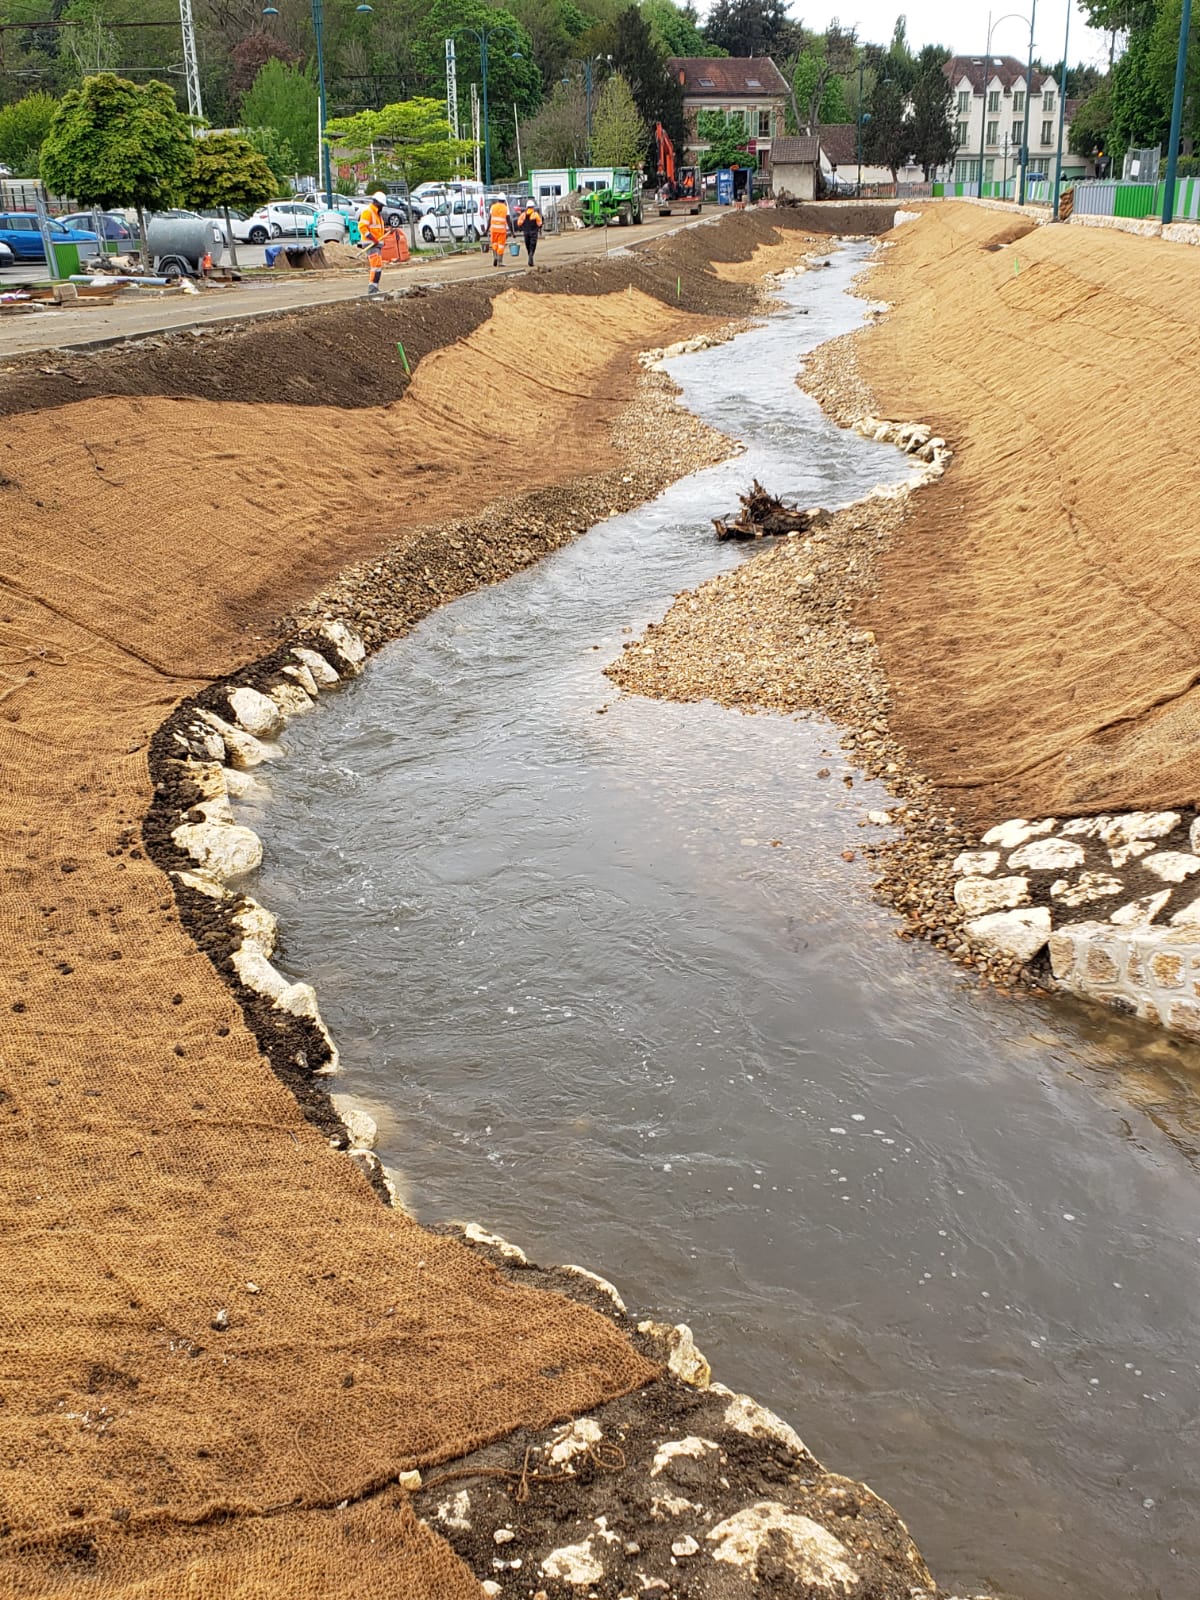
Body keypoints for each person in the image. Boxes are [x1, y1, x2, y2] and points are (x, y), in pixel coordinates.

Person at [358, 191, 387, 296]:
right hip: (370, 243)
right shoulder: (368, 212)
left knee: (378, 266)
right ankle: (372, 289)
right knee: (375, 265)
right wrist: (372, 238)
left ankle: (375, 287)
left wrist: (386, 230)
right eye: (382, 205)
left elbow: (377, 229)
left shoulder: (377, 214)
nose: (383, 207)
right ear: (377, 203)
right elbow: (362, 227)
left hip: (376, 243)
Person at [516, 199, 543, 269]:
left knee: (528, 245)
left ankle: (529, 255)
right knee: (532, 245)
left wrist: (522, 228)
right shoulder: (535, 214)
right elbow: (540, 224)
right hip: (534, 233)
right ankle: (531, 255)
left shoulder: (523, 215)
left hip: (526, 233)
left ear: (527, 207)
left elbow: (519, 223)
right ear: (533, 207)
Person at [488, 196, 511, 267]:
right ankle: (500, 261)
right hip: (501, 230)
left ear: (498, 200)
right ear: (504, 200)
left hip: (493, 229)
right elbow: (508, 220)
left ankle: (495, 257)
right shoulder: (505, 208)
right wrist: (512, 231)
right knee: (501, 246)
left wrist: (486, 230)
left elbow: (489, 219)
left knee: (494, 244)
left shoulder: (493, 207)